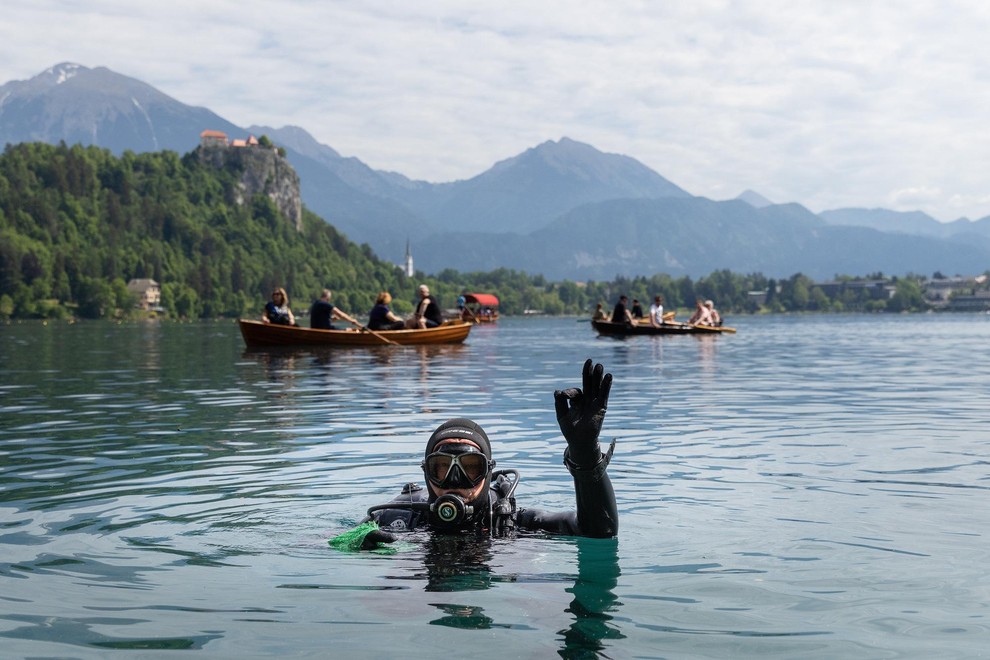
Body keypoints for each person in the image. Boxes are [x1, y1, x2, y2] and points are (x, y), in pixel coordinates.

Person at [331, 359, 617, 550]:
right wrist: (359, 542)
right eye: (441, 467)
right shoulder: (399, 518)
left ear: (489, 471)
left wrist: (585, 454)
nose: (455, 480)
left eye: (470, 467)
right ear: (425, 473)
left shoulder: (510, 522)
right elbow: (321, 543)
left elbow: (598, 531)